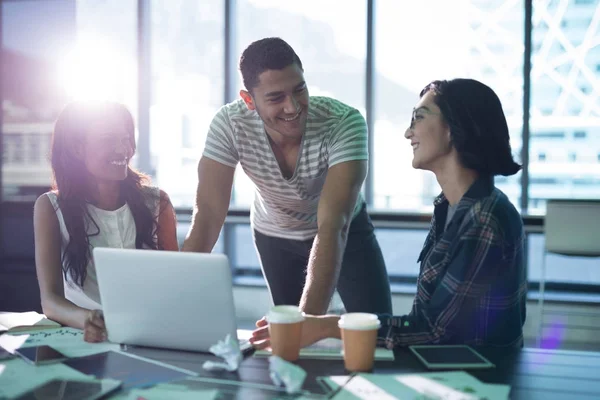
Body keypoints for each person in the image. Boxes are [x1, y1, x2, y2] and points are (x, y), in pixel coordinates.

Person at [250, 78, 527, 349]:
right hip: (450, 369)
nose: (408, 133)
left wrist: (326, 326)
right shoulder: (450, 207)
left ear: (453, 127)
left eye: (419, 117)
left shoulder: (484, 218)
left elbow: (434, 331)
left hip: (482, 379)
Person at [183, 37, 392, 316]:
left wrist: (306, 322)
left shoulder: (344, 123)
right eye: (275, 98)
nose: (292, 107)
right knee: (288, 341)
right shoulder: (230, 124)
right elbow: (208, 213)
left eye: (299, 90)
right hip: (274, 233)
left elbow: (332, 226)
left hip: (345, 229)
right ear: (249, 100)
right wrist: (176, 297)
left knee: (376, 327)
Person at [34, 101, 179, 343]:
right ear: (78, 148)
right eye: (109, 139)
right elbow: (50, 301)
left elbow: (176, 284)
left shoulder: (157, 202)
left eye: (126, 139)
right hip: (85, 336)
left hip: (151, 334)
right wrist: (88, 319)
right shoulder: (50, 207)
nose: (123, 150)